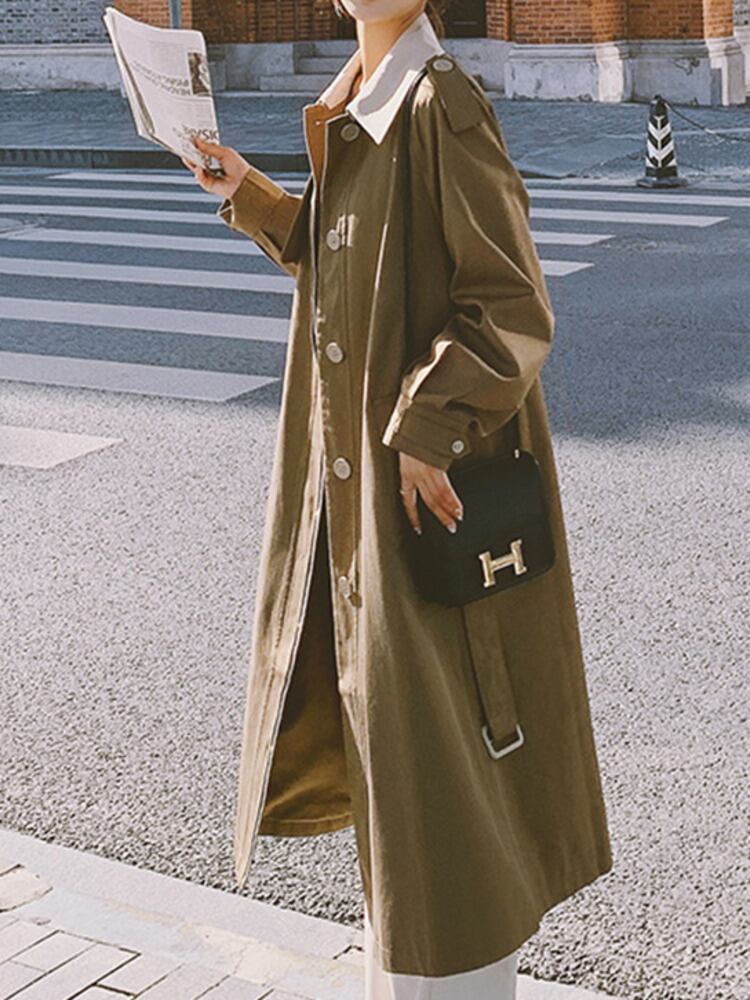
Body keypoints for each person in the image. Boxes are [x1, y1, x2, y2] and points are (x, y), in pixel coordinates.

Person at [182, 2, 614, 998]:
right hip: (368, 516)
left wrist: (429, 425)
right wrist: (251, 194)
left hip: (421, 512)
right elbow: (344, 262)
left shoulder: (437, 105)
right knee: (406, 805)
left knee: (444, 810)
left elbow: (511, 302)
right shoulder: (357, 109)